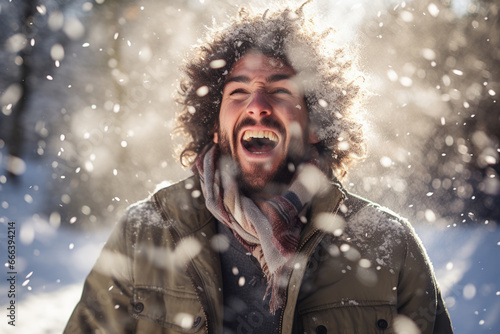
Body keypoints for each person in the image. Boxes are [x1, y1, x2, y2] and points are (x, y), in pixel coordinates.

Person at [65, 3, 453, 334]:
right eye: (238, 92)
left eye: (281, 90)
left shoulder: (388, 244)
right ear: (215, 128)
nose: (257, 105)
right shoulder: (146, 233)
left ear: (317, 124)